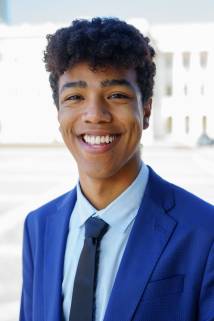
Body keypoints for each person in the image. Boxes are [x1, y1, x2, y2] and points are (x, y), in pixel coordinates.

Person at [19, 17, 214, 321]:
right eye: (75, 97)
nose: (95, 115)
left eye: (116, 96)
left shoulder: (205, 231)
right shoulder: (38, 226)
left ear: (146, 109)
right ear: (58, 112)